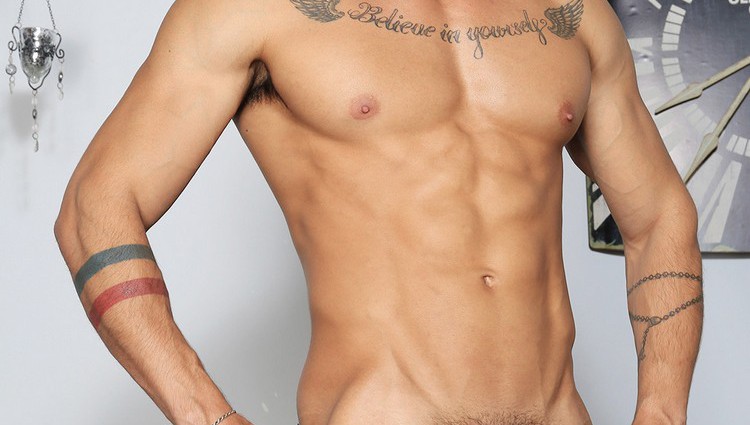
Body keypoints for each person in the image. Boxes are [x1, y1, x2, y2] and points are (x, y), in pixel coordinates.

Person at [55, 0, 704, 424]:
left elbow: (659, 215)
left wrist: (662, 411)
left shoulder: (572, 16)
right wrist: (206, 414)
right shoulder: (257, 8)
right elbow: (95, 207)